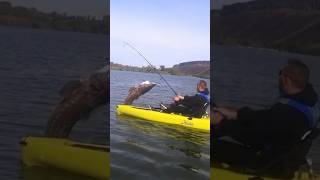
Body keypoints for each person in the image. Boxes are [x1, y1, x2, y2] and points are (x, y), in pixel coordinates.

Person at [212, 59, 320, 177]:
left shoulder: (287, 113)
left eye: (281, 74)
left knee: (212, 146)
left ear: (286, 79)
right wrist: (237, 114)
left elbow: (253, 137)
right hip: (284, 159)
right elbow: (268, 118)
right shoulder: (308, 100)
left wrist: (222, 123)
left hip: (268, 163)